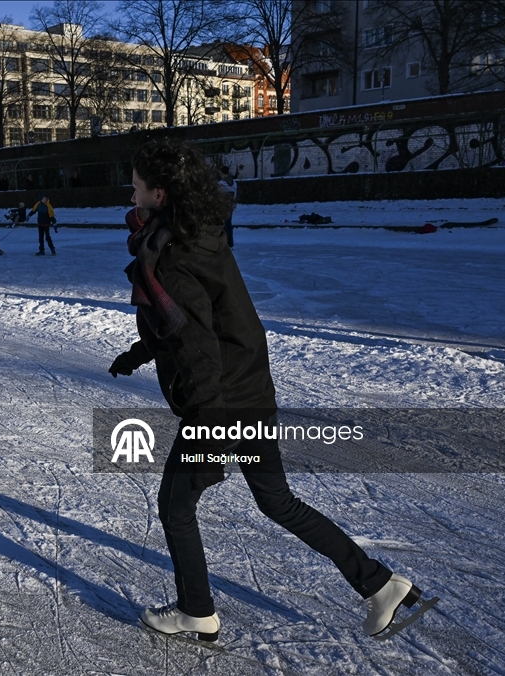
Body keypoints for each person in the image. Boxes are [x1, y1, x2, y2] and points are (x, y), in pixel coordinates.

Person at [109, 140, 423, 642]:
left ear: (160, 195)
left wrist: (209, 429)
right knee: (277, 501)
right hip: (251, 392)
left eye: (137, 186)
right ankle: (379, 584)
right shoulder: (201, 237)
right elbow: (203, 323)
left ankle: (196, 610)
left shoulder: (169, 257)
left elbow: (198, 347)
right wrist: (139, 353)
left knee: (175, 505)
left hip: (221, 404)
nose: (131, 193)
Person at [219, 165, 237, 248]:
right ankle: (230, 243)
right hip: (231, 205)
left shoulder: (220, 183)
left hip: (223, 205)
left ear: (221, 173)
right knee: (229, 223)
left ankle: (226, 243)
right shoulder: (234, 183)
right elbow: (235, 195)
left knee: (224, 224)